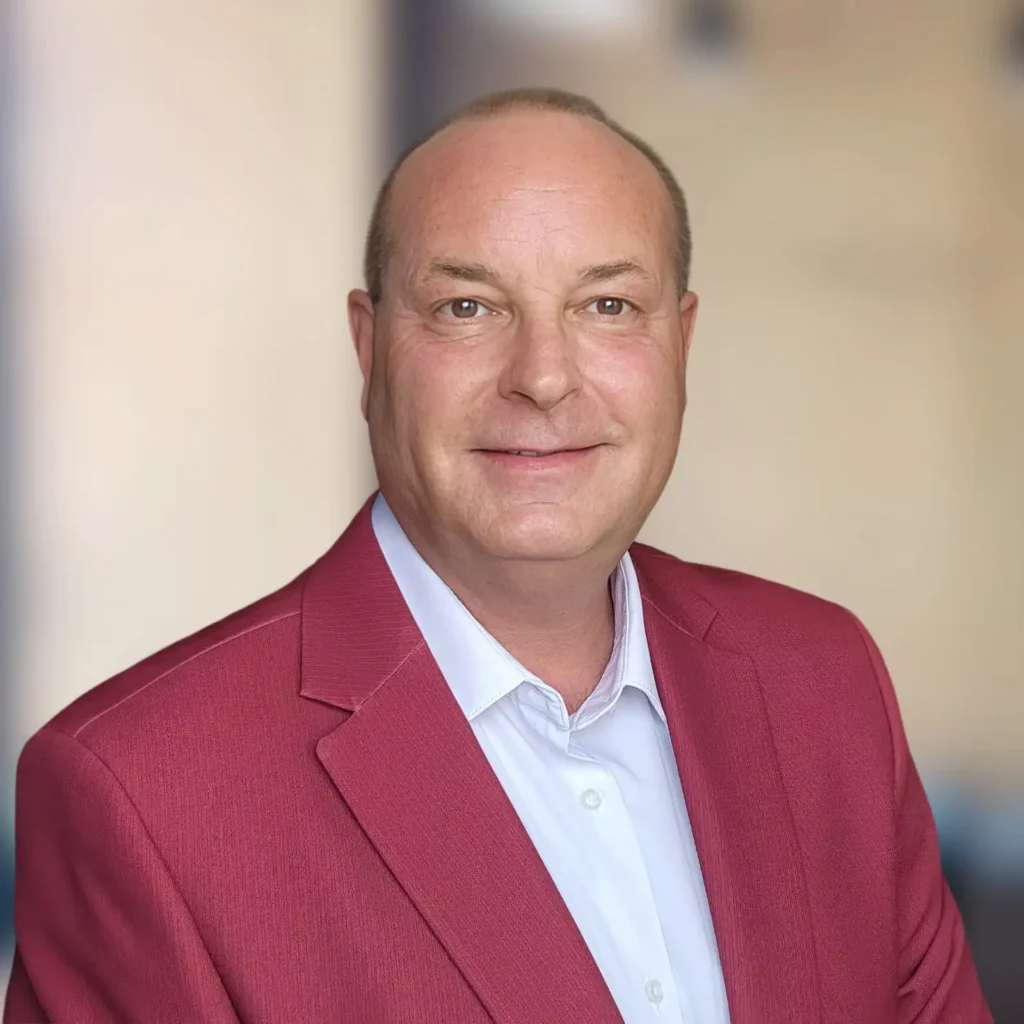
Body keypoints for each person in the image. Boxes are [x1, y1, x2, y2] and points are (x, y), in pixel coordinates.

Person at [3, 88, 991, 1024]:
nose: (544, 377)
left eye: (607, 306)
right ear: (370, 344)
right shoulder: (143, 792)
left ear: (680, 344)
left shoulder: (824, 680)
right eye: (467, 307)